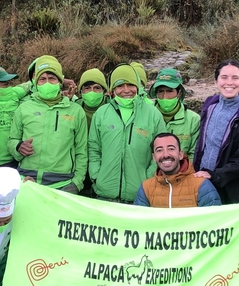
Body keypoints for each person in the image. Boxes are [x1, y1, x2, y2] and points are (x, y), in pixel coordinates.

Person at [8, 55, 88, 194]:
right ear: (36, 82)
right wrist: (18, 146)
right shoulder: (24, 108)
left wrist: (77, 183)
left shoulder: (76, 111)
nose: (47, 83)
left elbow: (81, 151)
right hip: (27, 181)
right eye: (42, 79)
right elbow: (11, 141)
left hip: (63, 185)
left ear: (60, 81)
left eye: (52, 78)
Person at [88, 64, 166, 203]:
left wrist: (148, 178)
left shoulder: (153, 114)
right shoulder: (101, 113)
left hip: (140, 195)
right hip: (105, 194)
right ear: (112, 89)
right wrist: (96, 175)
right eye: (120, 85)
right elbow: (94, 148)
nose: (126, 90)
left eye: (130, 84)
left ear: (137, 86)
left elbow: (161, 150)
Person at [193, 60, 239, 204]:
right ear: (216, 81)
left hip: (233, 187)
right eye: (224, 77)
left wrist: (215, 175)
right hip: (204, 181)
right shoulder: (210, 105)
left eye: (235, 78)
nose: (229, 82)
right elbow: (203, 144)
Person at [134, 132, 221, 207]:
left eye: (171, 149)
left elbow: (214, 222)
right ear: (154, 157)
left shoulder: (202, 185)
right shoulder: (146, 188)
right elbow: (137, 222)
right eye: (159, 150)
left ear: (180, 155)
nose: (165, 155)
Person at [148, 68, 200, 157]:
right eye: (161, 91)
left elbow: (194, 153)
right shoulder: (146, 114)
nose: (165, 96)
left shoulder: (193, 120)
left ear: (179, 93)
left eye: (169, 91)